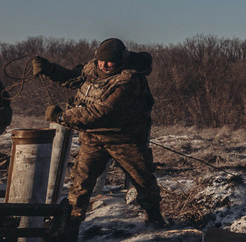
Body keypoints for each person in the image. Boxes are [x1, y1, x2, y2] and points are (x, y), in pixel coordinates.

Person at [31, 38, 165, 236]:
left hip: (125, 139)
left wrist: (61, 117)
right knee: (80, 185)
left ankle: (155, 221)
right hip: (92, 139)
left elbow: (101, 113)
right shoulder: (92, 69)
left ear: (121, 60)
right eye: (101, 60)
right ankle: (71, 229)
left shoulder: (129, 80)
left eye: (109, 62)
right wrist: (50, 69)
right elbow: (71, 77)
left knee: (143, 181)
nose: (104, 65)